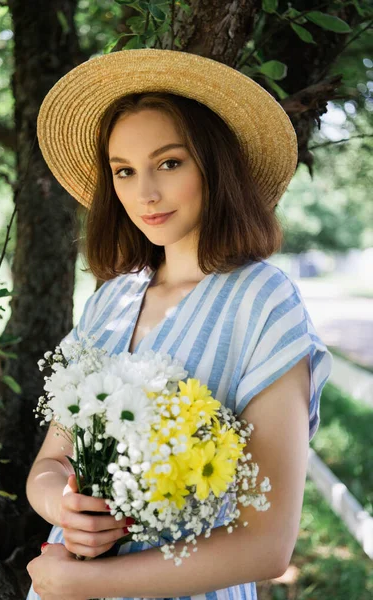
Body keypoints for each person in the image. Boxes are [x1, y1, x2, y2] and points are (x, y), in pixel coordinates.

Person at [26, 48, 333, 600]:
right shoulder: (109, 301)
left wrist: (92, 581)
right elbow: (50, 461)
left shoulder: (262, 302)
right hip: (63, 581)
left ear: (212, 164)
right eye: (124, 171)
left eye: (169, 162)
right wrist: (65, 505)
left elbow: (268, 545)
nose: (145, 192)